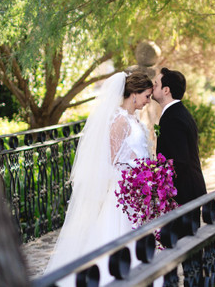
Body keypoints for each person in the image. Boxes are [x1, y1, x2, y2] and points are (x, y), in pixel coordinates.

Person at [44, 71, 153, 285]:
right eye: (146, 96)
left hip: (137, 188)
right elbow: (111, 160)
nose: (148, 101)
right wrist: (134, 172)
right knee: (117, 236)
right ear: (134, 94)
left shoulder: (132, 118)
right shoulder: (119, 120)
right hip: (123, 191)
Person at [152, 67, 207, 206]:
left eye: (156, 84)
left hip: (184, 193)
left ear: (166, 90)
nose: (153, 87)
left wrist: (164, 191)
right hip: (186, 190)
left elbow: (179, 161)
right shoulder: (176, 112)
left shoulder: (173, 118)